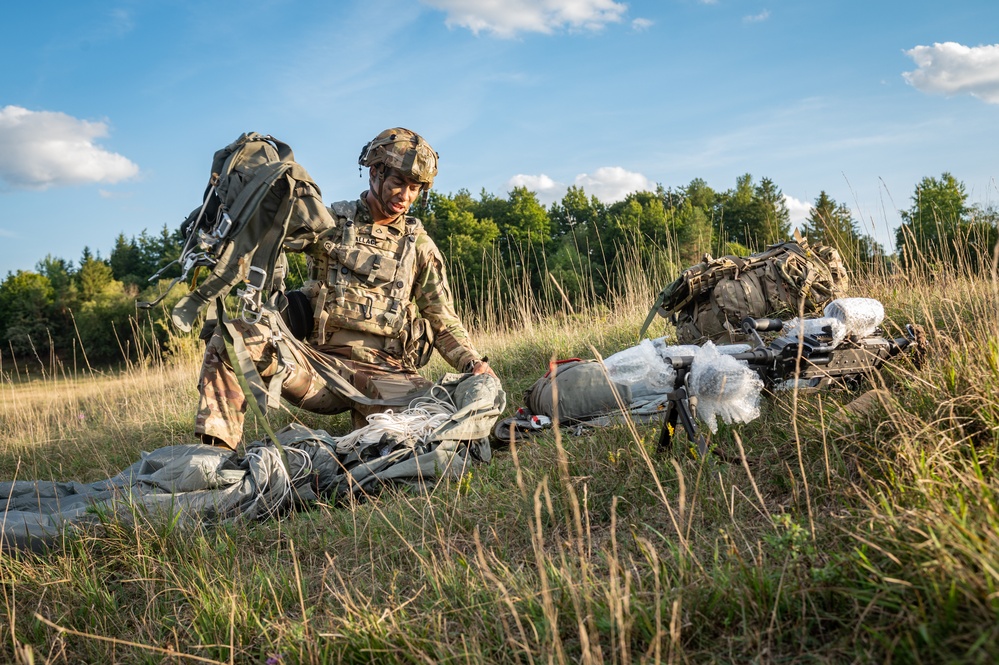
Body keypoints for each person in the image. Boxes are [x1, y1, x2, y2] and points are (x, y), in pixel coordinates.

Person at [195, 128, 497, 449]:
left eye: (414, 188)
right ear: (375, 172)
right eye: (398, 183)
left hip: (389, 375)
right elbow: (271, 234)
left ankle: (362, 443)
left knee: (435, 429)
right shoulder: (331, 224)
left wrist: (473, 363)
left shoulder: (419, 245)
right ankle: (214, 456)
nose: (405, 196)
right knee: (234, 335)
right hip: (318, 370)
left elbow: (441, 318)